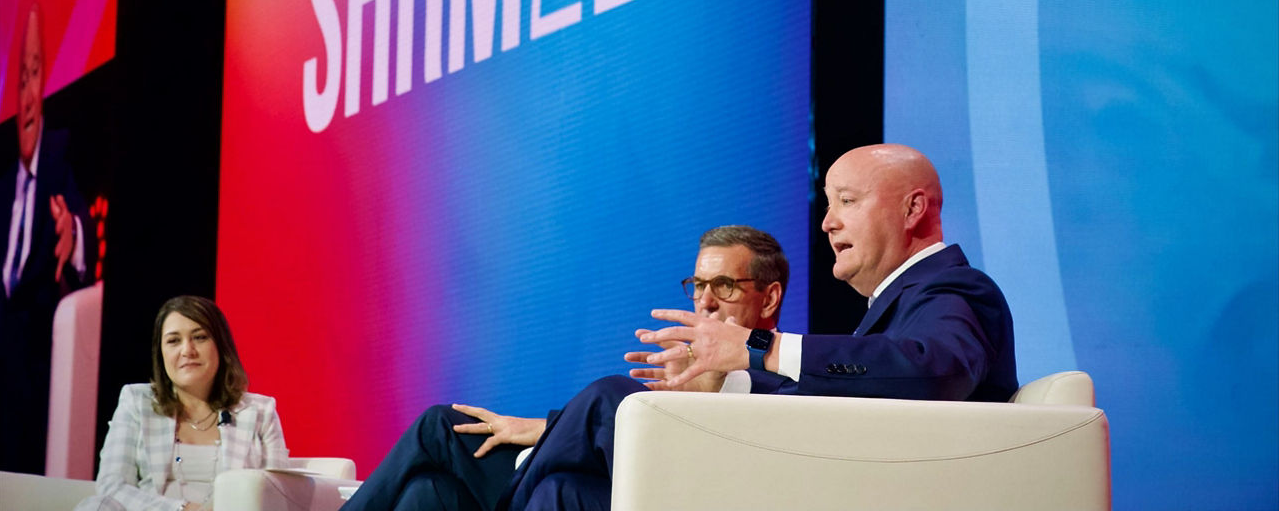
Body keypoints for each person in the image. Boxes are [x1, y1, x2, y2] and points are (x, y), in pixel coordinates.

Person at [499, 143, 1018, 510]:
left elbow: (938, 371)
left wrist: (758, 348)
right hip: (824, 479)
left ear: (913, 209)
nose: (827, 222)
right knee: (561, 493)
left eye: (848, 201)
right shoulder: (898, 307)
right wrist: (726, 381)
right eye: (827, 204)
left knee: (614, 399)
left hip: (854, 490)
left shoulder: (956, 289)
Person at [339, 225, 789, 511]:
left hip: (668, 492)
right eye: (699, 285)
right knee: (429, 489)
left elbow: (725, 459)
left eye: (725, 286)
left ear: (768, 299)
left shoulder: (784, 378)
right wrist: (541, 428)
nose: (705, 300)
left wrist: (704, 387)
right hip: (601, 476)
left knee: (610, 394)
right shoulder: (684, 360)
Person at [0, 3, 97, 474]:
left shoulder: (60, 156)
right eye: (21, 78)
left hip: (37, 383)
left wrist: (72, 234)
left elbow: (79, 218)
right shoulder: (1, 186)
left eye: (35, 75)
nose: (28, 93)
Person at [75, 295, 289, 511]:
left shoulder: (260, 412)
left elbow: (278, 496)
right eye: (173, 341)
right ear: (161, 353)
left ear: (221, 346)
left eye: (200, 337)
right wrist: (184, 509)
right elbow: (113, 486)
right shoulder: (137, 402)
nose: (187, 350)